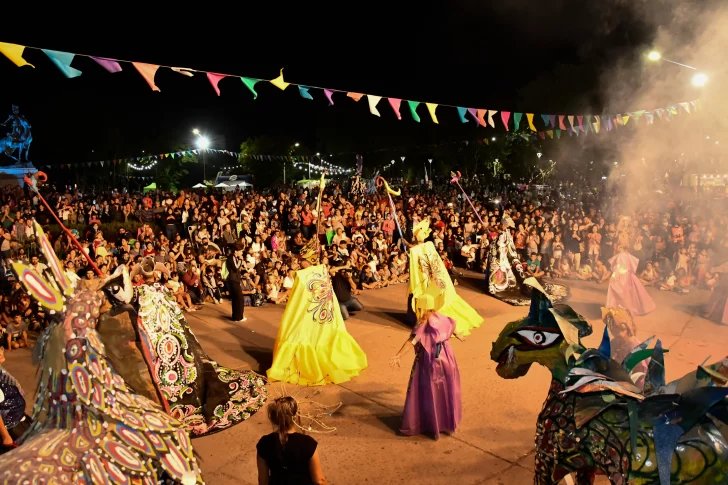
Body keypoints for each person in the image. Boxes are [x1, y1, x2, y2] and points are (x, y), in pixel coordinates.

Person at [268, 175, 367, 386]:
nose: (300, 262)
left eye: (302, 260)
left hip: (317, 315)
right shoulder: (315, 272)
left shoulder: (313, 272)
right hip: (314, 313)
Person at [389, 288, 462, 439]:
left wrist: (399, 355)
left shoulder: (423, 323)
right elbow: (451, 327)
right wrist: (456, 334)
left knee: (428, 390)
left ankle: (427, 421)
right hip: (447, 357)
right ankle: (444, 421)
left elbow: (412, 341)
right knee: (444, 389)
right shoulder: (441, 317)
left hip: (430, 360)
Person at [406, 218, 483, 336]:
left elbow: (417, 254)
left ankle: (428, 322)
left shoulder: (418, 249)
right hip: (431, 277)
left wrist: (410, 249)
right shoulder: (429, 245)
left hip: (428, 278)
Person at [256, 396, 327, 485]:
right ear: (295, 417)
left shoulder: (264, 443)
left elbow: (263, 481)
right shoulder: (307, 443)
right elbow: (319, 480)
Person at [606, 246, 656, 316]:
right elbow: (632, 266)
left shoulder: (620, 255)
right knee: (631, 293)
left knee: (620, 292)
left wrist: (613, 276)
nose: (618, 248)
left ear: (622, 248)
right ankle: (633, 307)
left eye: (620, 247)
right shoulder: (629, 255)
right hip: (629, 275)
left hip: (622, 276)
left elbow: (618, 267)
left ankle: (620, 308)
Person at [0, 347, 31, 454]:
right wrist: (6, 436)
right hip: (12, 428)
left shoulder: (1, 370)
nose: (0, 352)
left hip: (18, 419)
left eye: (0, 348)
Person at [227, 241, 247, 322]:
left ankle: (236, 316)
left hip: (235, 279)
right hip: (233, 280)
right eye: (240, 251)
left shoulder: (234, 258)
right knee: (239, 299)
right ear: (236, 251)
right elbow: (235, 267)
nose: (241, 253)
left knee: (236, 299)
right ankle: (239, 316)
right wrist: (241, 260)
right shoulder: (231, 258)